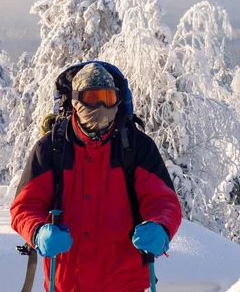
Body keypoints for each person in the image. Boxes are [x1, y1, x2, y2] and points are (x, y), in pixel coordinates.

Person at [11, 62, 182, 292]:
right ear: (75, 101)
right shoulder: (52, 148)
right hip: (68, 284)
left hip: (126, 283)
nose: (100, 106)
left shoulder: (136, 147)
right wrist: (37, 231)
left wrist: (161, 226)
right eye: (92, 98)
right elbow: (25, 205)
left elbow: (163, 201)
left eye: (108, 98)